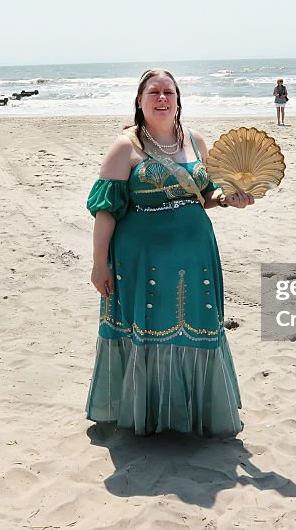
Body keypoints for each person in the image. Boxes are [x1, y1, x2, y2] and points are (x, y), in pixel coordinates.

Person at [86, 68, 251, 437]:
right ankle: (150, 414)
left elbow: (206, 194)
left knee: (196, 325)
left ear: (178, 100)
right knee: (151, 328)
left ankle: (194, 414)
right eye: (154, 93)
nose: (162, 99)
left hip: (195, 256)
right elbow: (106, 210)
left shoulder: (194, 139)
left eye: (169, 93)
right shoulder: (125, 147)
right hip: (142, 259)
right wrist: (99, 264)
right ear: (140, 101)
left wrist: (228, 199)